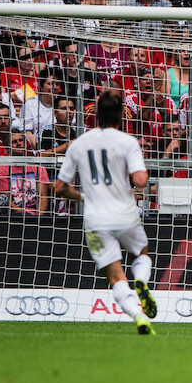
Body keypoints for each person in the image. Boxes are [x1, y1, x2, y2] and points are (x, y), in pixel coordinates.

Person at [53, 89, 156, 334]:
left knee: (115, 277)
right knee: (141, 252)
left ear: (96, 115)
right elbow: (141, 181)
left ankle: (139, 316)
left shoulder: (79, 144)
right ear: (121, 115)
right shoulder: (127, 142)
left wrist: (83, 196)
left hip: (96, 217)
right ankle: (141, 280)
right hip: (124, 212)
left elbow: (59, 187)